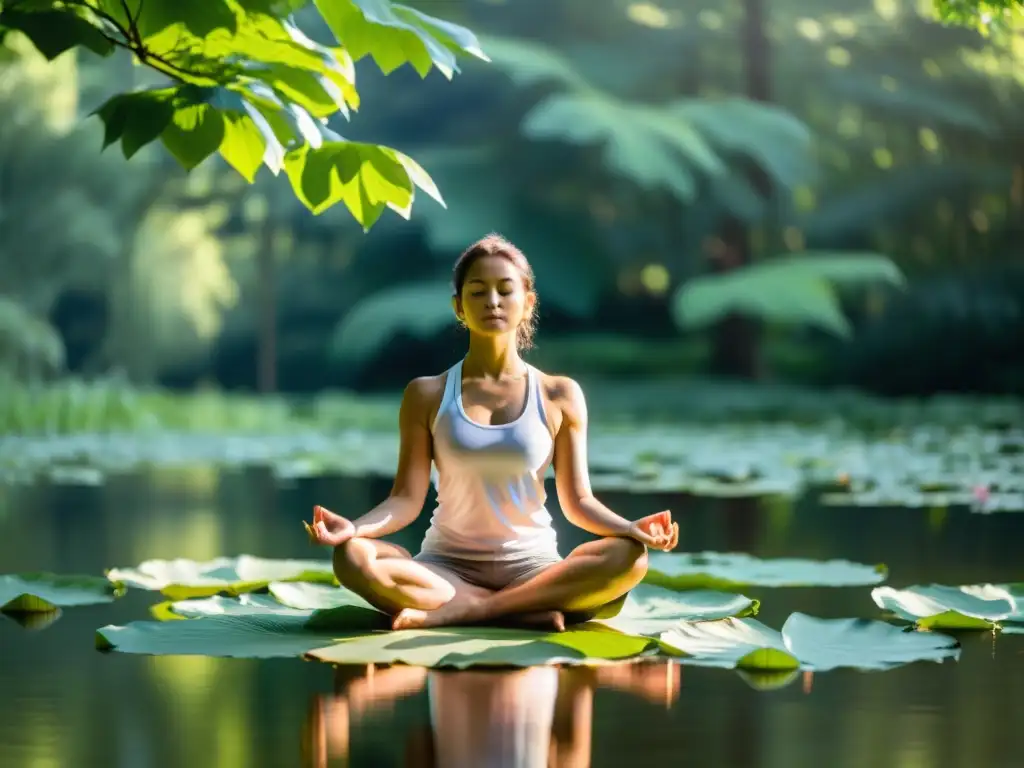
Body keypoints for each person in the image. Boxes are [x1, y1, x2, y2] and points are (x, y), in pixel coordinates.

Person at [304, 234, 679, 632]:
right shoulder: (426, 393)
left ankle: (475, 611)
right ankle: (521, 611)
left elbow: (579, 501)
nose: (493, 302)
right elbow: (405, 498)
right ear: (459, 307)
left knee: (630, 557)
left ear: (527, 303)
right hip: (446, 571)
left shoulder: (559, 395)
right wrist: (354, 528)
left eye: (505, 290)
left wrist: (629, 528)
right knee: (353, 557)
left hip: (533, 569)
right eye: (478, 291)